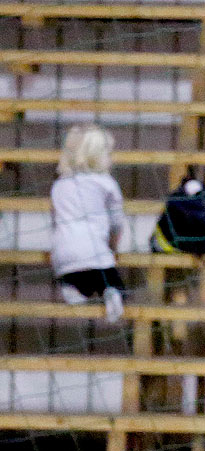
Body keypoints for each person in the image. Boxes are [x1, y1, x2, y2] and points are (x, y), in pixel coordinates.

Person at [51, 124, 128, 323]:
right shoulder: (105, 183)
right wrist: (113, 247)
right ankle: (112, 295)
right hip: (94, 251)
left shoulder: (59, 185)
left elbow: (55, 220)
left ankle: (72, 288)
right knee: (110, 282)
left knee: (77, 275)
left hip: (62, 253)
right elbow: (116, 222)